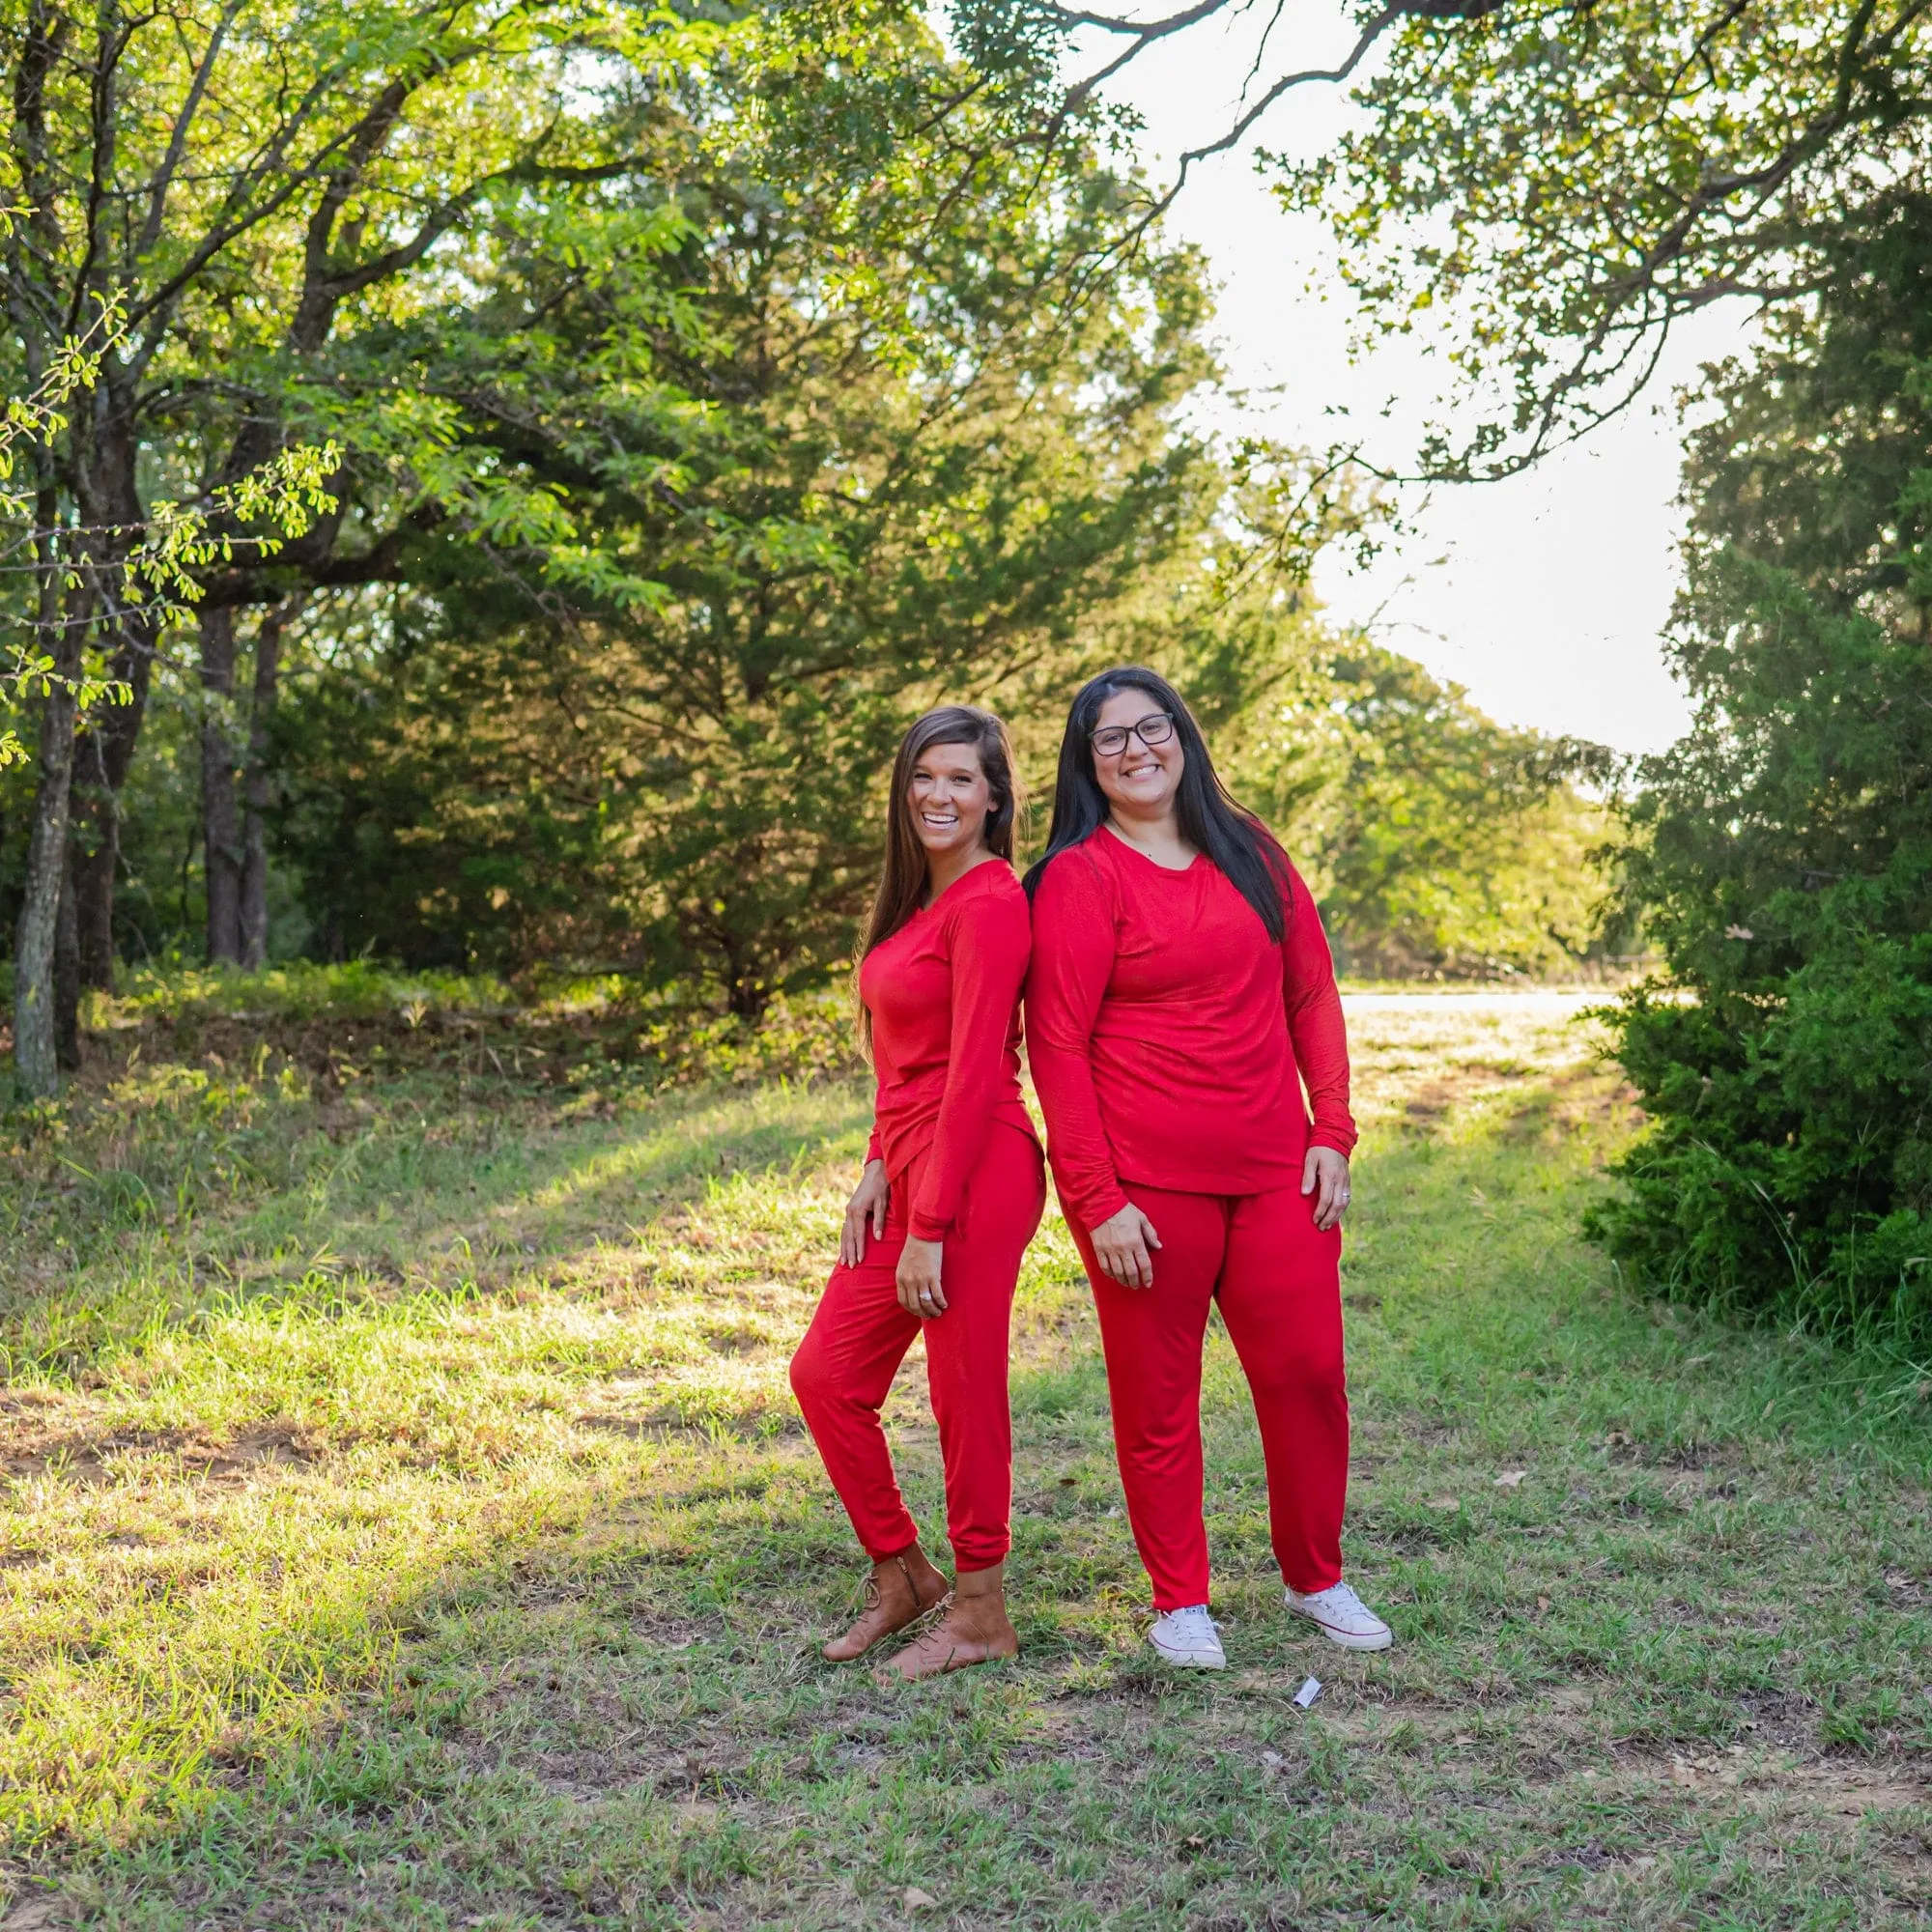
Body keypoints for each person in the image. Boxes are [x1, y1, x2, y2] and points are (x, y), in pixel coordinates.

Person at [1024, 666, 1390, 1668]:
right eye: (1110, 740)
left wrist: (1332, 1131)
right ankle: (1178, 1597)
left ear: (1182, 736)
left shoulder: (1249, 848)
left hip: (1279, 1169)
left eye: (1152, 729)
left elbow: (1310, 993)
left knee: (1308, 1374)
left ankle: (1314, 1572)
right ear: (1086, 762)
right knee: (1157, 1397)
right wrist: (1095, 1199)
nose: (1135, 750)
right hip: (1145, 1188)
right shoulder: (1079, 876)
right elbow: (1055, 1043)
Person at [789, 705, 1046, 1682]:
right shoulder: (915, 903)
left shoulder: (987, 900)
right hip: (911, 1163)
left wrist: (929, 1222)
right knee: (825, 1375)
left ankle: (981, 1610)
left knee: (962, 1387)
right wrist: (873, 1166)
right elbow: (905, 1065)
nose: (938, 794)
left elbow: (975, 1071)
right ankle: (903, 1573)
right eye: (922, 777)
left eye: (960, 779)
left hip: (976, 1168)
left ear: (992, 797)